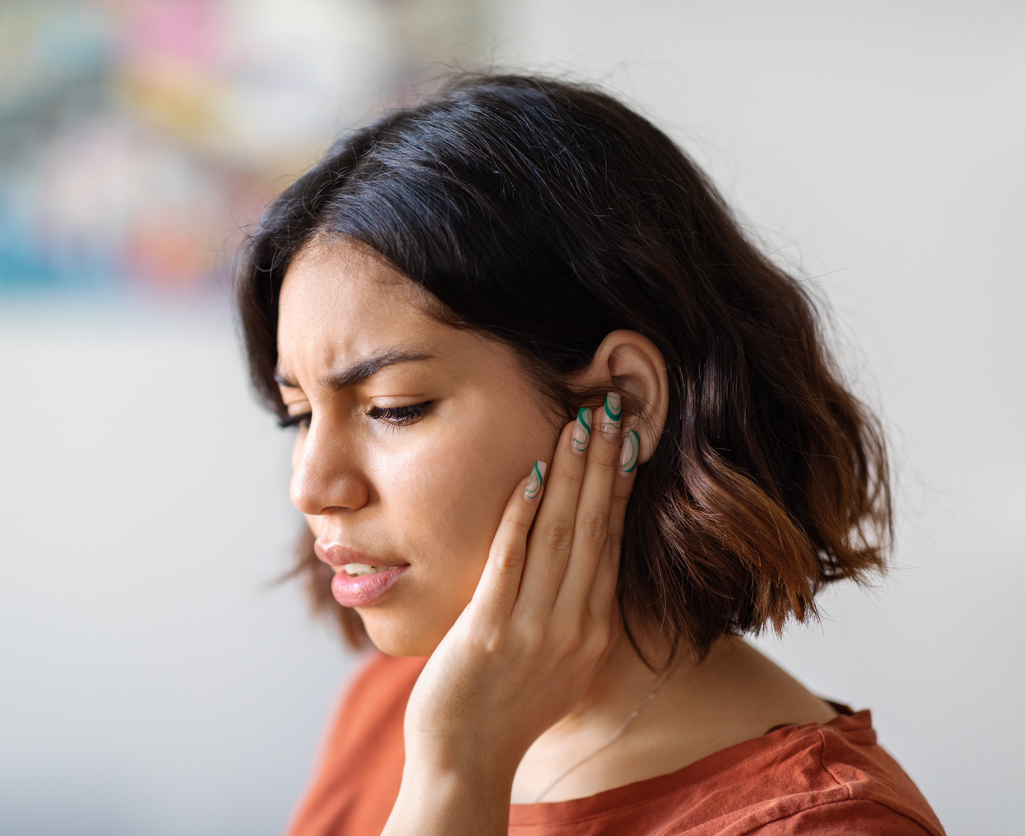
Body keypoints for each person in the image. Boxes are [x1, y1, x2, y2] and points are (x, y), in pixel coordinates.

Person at [235, 73, 944, 835]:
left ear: (623, 404)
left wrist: (456, 781)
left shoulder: (823, 825)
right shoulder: (403, 709)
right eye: (300, 416)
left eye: (391, 408)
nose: (311, 487)